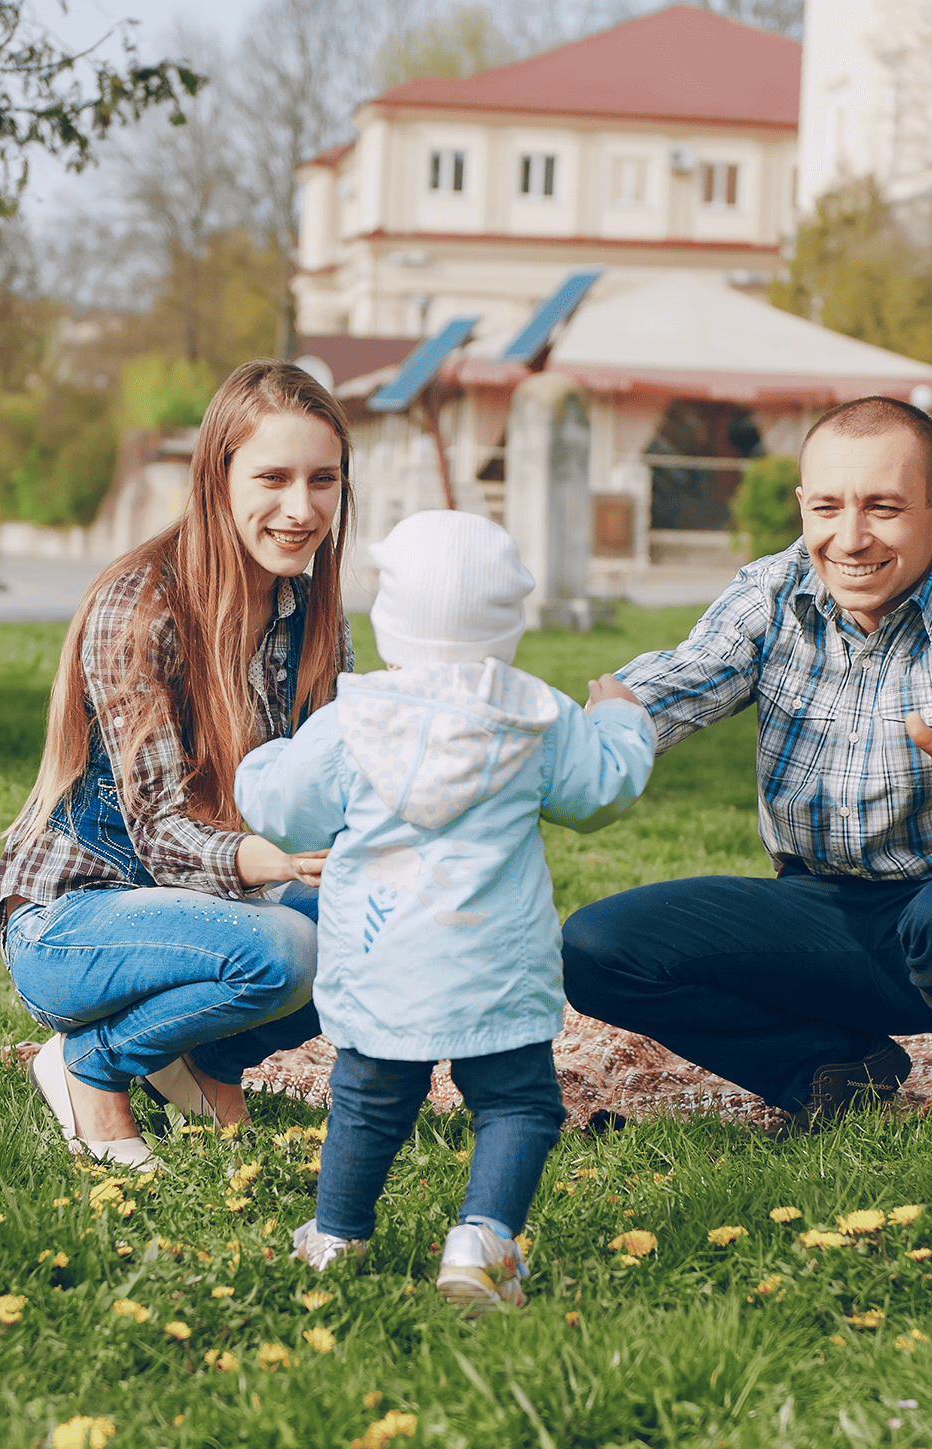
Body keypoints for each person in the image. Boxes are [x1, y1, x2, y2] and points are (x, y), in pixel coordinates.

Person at [560, 396, 932, 1122]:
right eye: (828, 508)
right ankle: (829, 1069)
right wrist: (589, 730)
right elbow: (687, 676)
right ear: (805, 507)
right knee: (595, 948)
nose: (851, 537)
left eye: (884, 508)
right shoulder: (775, 589)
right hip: (822, 915)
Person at [234, 511, 653, 1309]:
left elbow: (284, 808)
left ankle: (335, 1237)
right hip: (494, 965)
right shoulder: (537, 715)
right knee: (519, 1104)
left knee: (367, 1101)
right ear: (510, 619)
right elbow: (601, 791)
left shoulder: (352, 721)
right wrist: (620, 716)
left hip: (383, 961)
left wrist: (264, 759)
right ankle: (481, 1242)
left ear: (390, 620)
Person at [0, 360, 355, 1170]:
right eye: (273, 477)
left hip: (202, 907)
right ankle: (90, 1063)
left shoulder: (310, 614)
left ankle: (204, 1061)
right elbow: (156, 833)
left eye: (322, 480)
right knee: (288, 951)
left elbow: (340, 778)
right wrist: (274, 863)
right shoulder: (140, 605)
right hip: (74, 920)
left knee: (379, 925)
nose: (302, 509)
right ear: (215, 477)